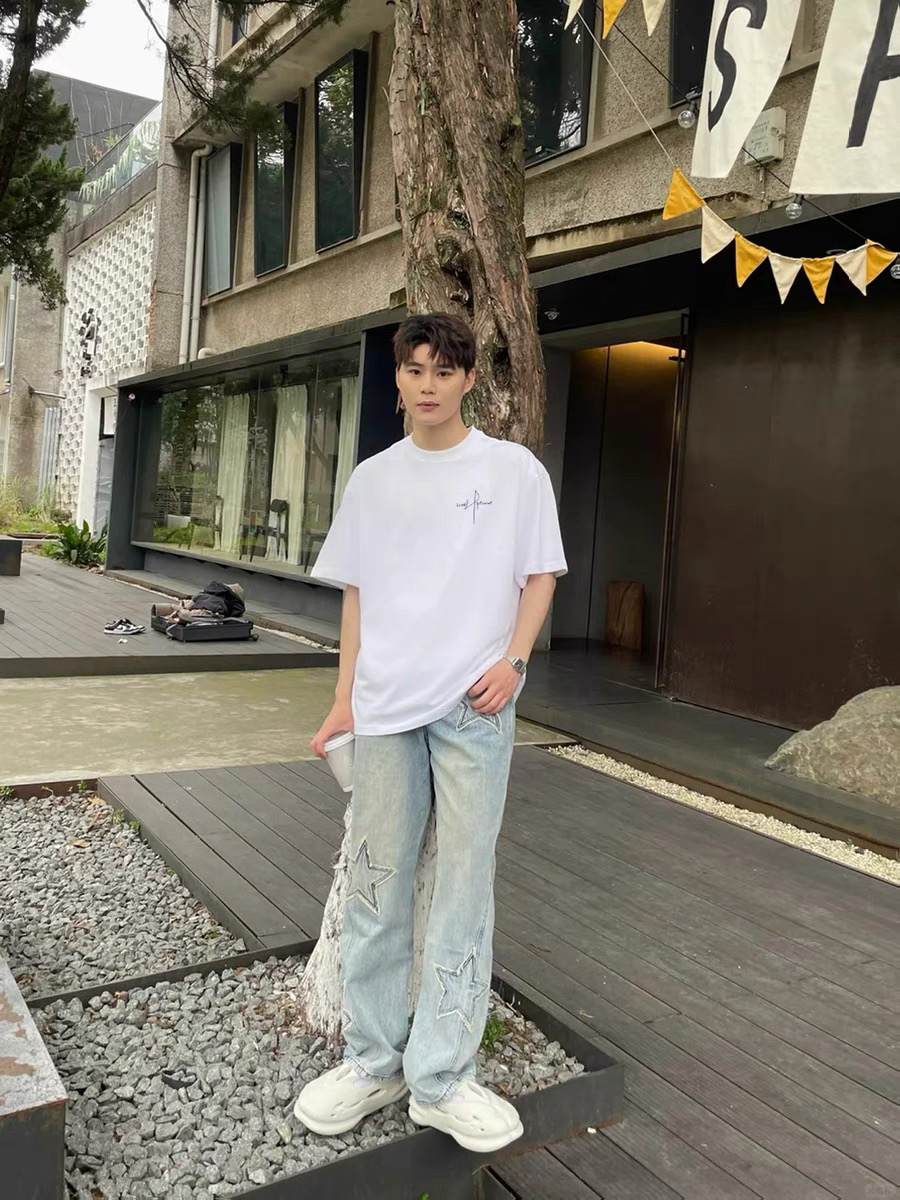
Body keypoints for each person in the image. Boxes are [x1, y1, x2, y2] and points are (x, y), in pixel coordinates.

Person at [293, 313, 567, 1153]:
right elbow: (358, 594)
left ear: (468, 380)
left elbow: (540, 574)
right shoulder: (374, 478)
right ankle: (372, 1060)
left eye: (443, 371)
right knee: (377, 887)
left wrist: (514, 663)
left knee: (463, 887)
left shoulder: (512, 470)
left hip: (473, 707)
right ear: (399, 378)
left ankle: (442, 1078)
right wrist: (342, 699)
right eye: (414, 369)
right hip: (383, 706)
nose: (426, 384)